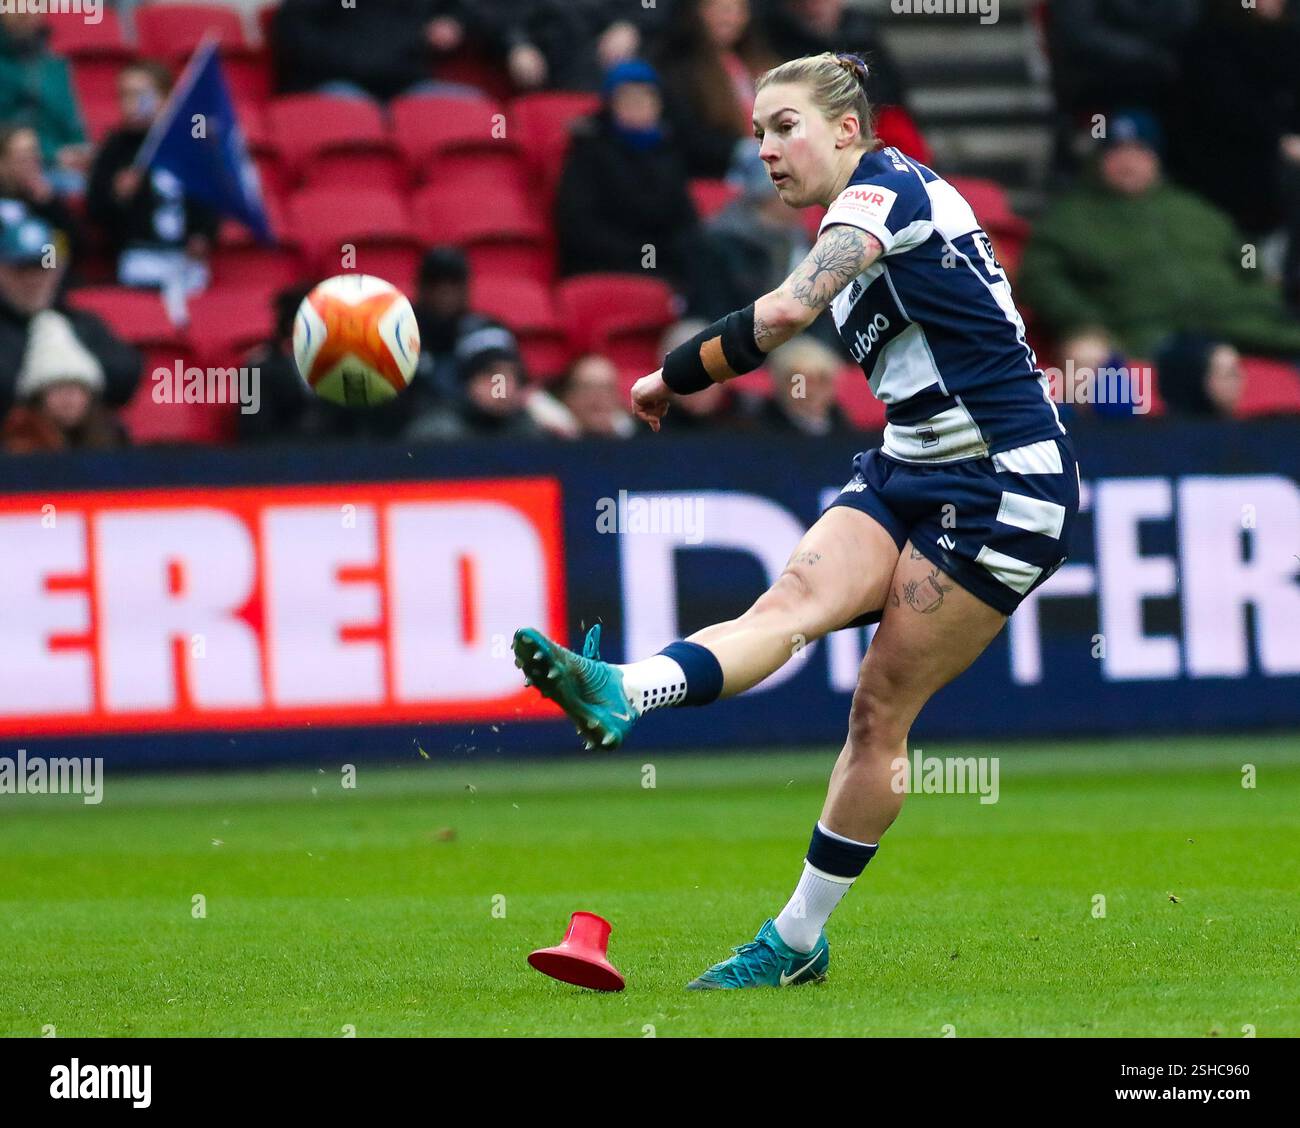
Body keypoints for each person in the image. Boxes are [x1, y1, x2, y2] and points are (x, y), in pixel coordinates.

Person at [512, 53, 1080, 990]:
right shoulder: (842, 222)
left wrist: (669, 375)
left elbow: (782, 313)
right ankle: (619, 686)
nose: (768, 151)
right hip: (909, 467)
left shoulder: (885, 195)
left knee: (878, 711)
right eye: (758, 134)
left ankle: (795, 940)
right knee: (784, 610)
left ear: (848, 131)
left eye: (786, 128)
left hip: (1005, 487)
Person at [1018, 110, 1300, 363]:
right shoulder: (1068, 218)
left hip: (1236, 323)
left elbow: (1246, 257)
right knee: (1087, 356)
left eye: (1139, 151)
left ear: (1156, 158)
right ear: (1099, 158)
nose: (1128, 162)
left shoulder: (1194, 209)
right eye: (1117, 151)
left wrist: (1264, 291)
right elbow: (1040, 279)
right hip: (1138, 332)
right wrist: (1084, 319)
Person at [554, 60, 698, 287]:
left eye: (647, 97)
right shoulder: (589, 151)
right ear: (612, 104)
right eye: (629, 98)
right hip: (608, 262)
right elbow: (580, 227)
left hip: (663, 259)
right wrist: (647, 255)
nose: (639, 105)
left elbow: (685, 219)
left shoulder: (666, 149)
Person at [0, 201, 141, 425]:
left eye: (42, 266)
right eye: (22, 268)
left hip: (86, 449)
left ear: (58, 270)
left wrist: (76, 377)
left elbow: (127, 373)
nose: (34, 278)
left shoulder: (81, 322)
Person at [85, 61, 219, 295]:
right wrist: (116, 196)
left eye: (139, 95)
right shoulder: (115, 148)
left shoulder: (188, 145)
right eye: (124, 96)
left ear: (166, 98)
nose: (130, 104)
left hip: (187, 263)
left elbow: (211, 198)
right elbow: (96, 210)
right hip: (139, 260)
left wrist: (203, 234)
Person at [655, 0, 777, 179]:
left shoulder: (756, 61)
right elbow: (691, 138)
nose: (729, 18)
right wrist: (741, 150)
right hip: (724, 173)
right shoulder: (681, 70)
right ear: (698, 12)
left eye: (737, 10)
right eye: (719, 9)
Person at [0, 10, 89, 192]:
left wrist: (82, 152)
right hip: (16, 167)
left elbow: (73, 123)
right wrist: (52, 154)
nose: (23, 12)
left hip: (63, 166)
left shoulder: (56, 66)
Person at [753, 334, 852, 435]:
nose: (812, 390)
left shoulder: (845, 428)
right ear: (782, 383)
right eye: (800, 381)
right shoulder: (760, 430)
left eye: (822, 380)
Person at [557, 353, 636, 438]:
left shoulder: (637, 439)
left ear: (617, 397)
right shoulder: (551, 440)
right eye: (587, 388)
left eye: (606, 388)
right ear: (569, 396)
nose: (598, 397)